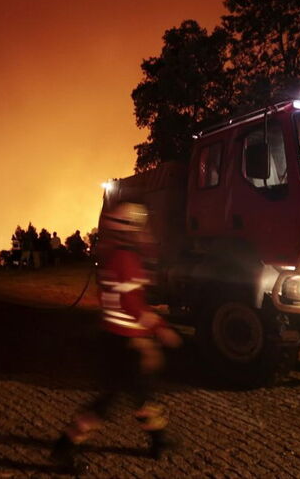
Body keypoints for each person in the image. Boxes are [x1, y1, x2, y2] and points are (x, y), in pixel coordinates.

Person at [51, 202, 181, 473]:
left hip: (116, 337)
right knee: (109, 403)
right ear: (129, 229)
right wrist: (158, 330)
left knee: (142, 394)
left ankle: (158, 440)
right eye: (140, 227)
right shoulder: (126, 259)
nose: (145, 232)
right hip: (125, 341)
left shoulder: (113, 255)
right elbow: (132, 304)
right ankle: (64, 448)